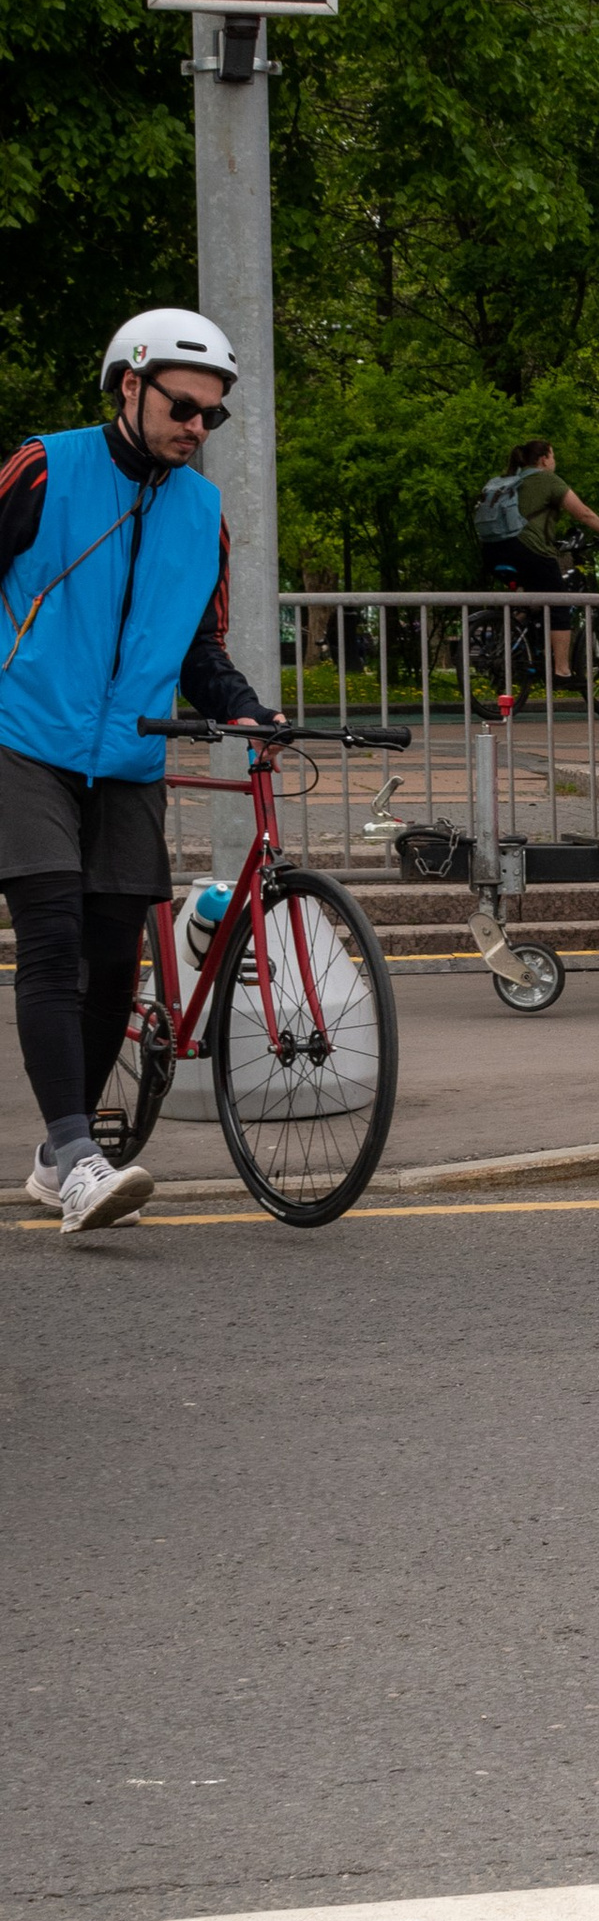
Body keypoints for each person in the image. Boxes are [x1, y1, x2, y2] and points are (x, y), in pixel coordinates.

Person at [0, 307, 286, 1238]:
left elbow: (198, 650)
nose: (196, 428)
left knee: (115, 959)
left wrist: (243, 706)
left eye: (212, 417)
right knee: (50, 933)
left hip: (127, 752)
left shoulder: (204, 514)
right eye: (183, 407)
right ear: (129, 384)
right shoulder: (43, 467)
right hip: (23, 737)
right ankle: (83, 1153)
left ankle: (61, 1158)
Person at [476, 438, 599, 685]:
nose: (555, 462)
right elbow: (583, 512)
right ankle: (562, 671)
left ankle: (512, 644)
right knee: (559, 604)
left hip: (492, 551)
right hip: (528, 550)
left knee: (528, 601)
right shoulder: (547, 479)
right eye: (553, 457)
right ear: (544, 459)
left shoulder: (509, 481)